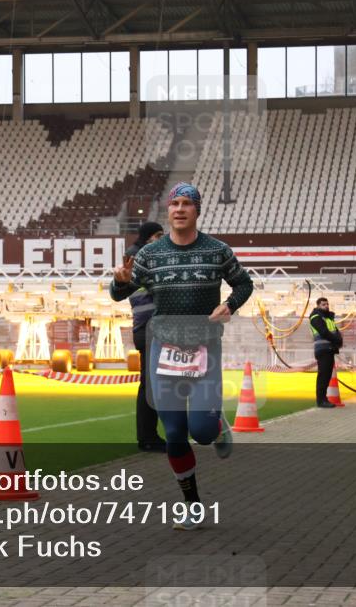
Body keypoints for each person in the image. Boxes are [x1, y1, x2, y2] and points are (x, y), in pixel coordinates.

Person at [110, 182, 253, 530]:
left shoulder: (217, 251)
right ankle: (192, 505)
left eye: (187, 203)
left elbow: (244, 284)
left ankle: (216, 425)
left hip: (205, 347)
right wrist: (120, 281)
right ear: (168, 211)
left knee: (200, 432)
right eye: (174, 204)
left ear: (197, 210)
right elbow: (119, 292)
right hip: (164, 349)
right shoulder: (151, 255)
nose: (179, 209)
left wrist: (229, 305)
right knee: (174, 433)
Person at [110, 221, 166, 453]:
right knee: (152, 386)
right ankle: (148, 437)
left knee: (154, 384)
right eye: (158, 235)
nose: (162, 239)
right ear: (148, 237)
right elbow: (119, 290)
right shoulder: (142, 257)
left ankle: (150, 435)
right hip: (151, 327)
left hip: (147, 327)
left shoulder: (139, 254)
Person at [309, 297, 343, 408]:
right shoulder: (316, 317)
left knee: (327, 375)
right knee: (323, 376)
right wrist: (336, 340)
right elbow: (324, 332)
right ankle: (321, 400)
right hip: (322, 349)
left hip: (329, 349)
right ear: (318, 305)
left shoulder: (328, 318)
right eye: (323, 304)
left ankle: (324, 399)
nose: (326, 306)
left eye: (327, 304)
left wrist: (339, 340)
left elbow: (335, 331)